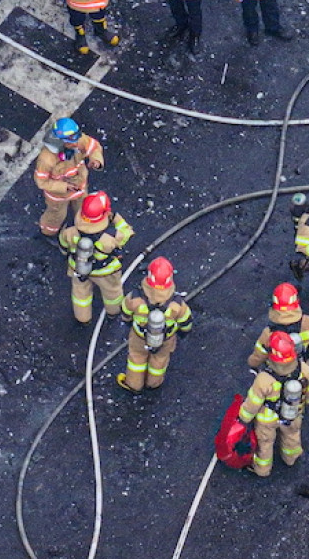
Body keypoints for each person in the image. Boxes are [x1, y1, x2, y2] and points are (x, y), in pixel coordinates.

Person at [237, 332, 309, 478]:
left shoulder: (263, 379)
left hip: (267, 419)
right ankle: (290, 458)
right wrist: (305, 404)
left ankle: (262, 469)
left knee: (265, 444)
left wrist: (243, 419)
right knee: (292, 435)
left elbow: (253, 403)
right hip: (292, 413)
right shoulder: (303, 369)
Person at [116, 257, 192, 393]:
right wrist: (183, 332)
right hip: (165, 339)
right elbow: (186, 322)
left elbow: (125, 312)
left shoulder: (135, 297)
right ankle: (153, 383)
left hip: (139, 336)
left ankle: (134, 384)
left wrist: (127, 322)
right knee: (159, 361)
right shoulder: (177, 305)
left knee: (136, 359)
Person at [57, 191, 134, 324]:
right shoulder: (111, 237)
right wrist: (116, 218)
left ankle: (83, 318)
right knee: (112, 292)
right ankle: (113, 312)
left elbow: (63, 245)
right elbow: (127, 233)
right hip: (106, 272)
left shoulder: (70, 231)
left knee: (80, 295)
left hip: (78, 267)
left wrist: (65, 255)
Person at [32, 117, 104, 236]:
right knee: (56, 216)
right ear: (60, 141)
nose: (76, 142)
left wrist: (96, 160)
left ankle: (83, 227)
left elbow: (94, 147)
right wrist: (64, 187)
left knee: (83, 208)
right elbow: (41, 182)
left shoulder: (78, 140)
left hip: (80, 187)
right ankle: (48, 233)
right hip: (58, 196)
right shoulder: (46, 159)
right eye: (71, 140)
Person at [246, 284, 309, 369]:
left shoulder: (268, 334)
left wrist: (252, 363)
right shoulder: (307, 322)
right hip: (301, 365)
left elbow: (259, 355)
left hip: (277, 369)